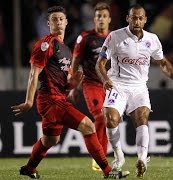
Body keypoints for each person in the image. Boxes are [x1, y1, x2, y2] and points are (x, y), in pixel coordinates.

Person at [11, 6, 128, 179]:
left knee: (50, 140)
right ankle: (107, 171)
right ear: (48, 23)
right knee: (88, 126)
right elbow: (34, 73)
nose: (58, 22)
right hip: (51, 100)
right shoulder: (45, 44)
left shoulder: (64, 48)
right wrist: (29, 101)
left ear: (66, 22)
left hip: (57, 97)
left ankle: (29, 168)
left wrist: (71, 84)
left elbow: (61, 82)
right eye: (54, 19)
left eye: (61, 19)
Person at [96, 4, 173, 178]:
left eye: (140, 18)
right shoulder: (115, 36)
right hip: (118, 85)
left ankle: (142, 159)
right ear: (128, 18)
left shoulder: (152, 39)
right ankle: (118, 156)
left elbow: (162, 62)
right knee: (111, 119)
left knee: (142, 117)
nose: (136, 21)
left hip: (139, 87)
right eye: (133, 17)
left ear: (145, 20)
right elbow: (99, 64)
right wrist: (105, 80)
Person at [69, 2, 112, 172]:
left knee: (109, 120)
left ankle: (103, 155)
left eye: (104, 16)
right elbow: (75, 62)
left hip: (110, 85)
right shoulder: (86, 38)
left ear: (109, 19)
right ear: (94, 19)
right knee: (101, 117)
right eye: (98, 16)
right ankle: (100, 158)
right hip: (91, 84)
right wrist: (72, 86)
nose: (101, 19)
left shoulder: (115, 38)